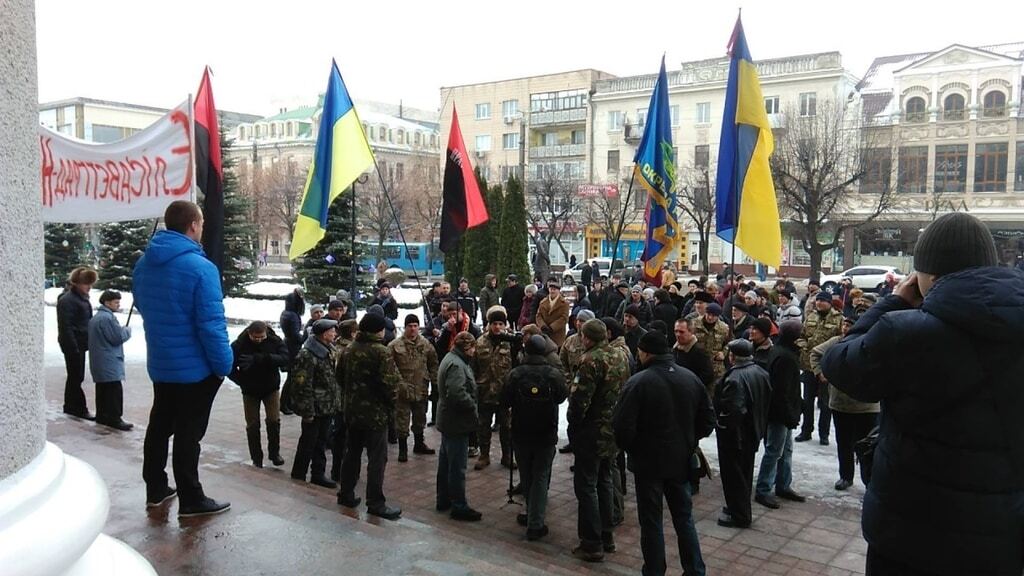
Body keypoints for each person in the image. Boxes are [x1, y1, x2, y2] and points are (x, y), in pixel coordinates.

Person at [822, 213, 1024, 576]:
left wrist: (894, 302)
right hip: (1001, 537)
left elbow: (840, 364)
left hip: (912, 533)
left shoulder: (909, 333)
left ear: (926, 275)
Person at [134, 200, 233, 517]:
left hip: (162, 365)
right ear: (193, 225)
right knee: (189, 436)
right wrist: (223, 365)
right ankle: (191, 498)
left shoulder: (144, 264)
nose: (202, 227)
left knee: (160, 426)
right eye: (201, 222)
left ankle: (156, 488)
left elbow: (147, 307)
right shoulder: (201, 269)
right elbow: (211, 325)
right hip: (194, 371)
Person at [614, 331, 715, 576]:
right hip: (680, 460)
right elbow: (707, 420)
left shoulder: (639, 382)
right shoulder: (690, 378)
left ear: (646, 352)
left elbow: (621, 427)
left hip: (648, 464)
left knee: (651, 521)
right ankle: (695, 569)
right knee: (684, 518)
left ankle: (654, 570)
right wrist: (688, 440)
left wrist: (635, 448)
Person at [568, 319, 630, 563]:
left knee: (586, 486)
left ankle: (591, 542)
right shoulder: (619, 355)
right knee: (605, 480)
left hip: (592, 431)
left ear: (586, 337)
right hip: (612, 429)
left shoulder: (590, 360)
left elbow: (579, 401)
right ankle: (607, 535)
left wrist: (574, 425)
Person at [501, 335, 568, 540]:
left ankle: (532, 514)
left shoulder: (515, 374)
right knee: (540, 475)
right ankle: (535, 522)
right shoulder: (553, 374)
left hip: (521, 432)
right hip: (545, 431)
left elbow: (504, 399)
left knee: (527, 475)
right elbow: (562, 397)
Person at [337, 314, 403, 520]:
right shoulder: (381, 352)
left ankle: (346, 493)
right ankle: (375, 503)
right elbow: (391, 385)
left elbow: (339, 377)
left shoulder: (348, 349)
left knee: (352, 453)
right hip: (375, 415)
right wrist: (391, 404)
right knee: (377, 458)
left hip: (352, 412)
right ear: (379, 330)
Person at [811, 315, 878, 490]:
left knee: (867, 446)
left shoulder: (873, 342)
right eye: (844, 324)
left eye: (849, 325)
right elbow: (815, 353)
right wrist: (821, 373)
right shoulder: (837, 342)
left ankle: (868, 480)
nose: (845, 328)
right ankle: (846, 476)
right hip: (841, 403)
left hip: (868, 406)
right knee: (844, 443)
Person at [714, 339, 771, 529]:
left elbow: (733, 411)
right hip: (752, 432)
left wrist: (721, 427)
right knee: (744, 473)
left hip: (736, 437)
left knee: (734, 476)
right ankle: (738, 507)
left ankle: (740, 514)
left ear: (732, 356)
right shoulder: (760, 372)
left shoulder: (735, 378)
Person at [753, 320, 806, 510]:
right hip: (780, 413)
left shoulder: (781, 352)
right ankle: (763, 489)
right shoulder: (784, 357)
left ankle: (783, 485)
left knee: (786, 450)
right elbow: (782, 391)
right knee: (774, 451)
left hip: (783, 411)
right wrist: (791, 414)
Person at [436, 332, 483, 522]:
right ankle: (459, 505)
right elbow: (457, 393)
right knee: (457, 466)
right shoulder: (457, 364)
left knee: (446, 463)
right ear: (467, 347)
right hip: (456, 421)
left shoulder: (451, 358)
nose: (474, 351)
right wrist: (472, 405)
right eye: (473, 348)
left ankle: (444, 499)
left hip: (448, 420)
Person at [229, 321, 289, 468]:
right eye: (255, 337)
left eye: (261, 337)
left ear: (266, 333)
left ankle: (274, 453)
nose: (259, 340)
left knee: (274, 420)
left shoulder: (274, 340)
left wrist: (262, 358)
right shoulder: (239, 345)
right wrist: (241, 381)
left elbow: (284, 358)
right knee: (253, 424)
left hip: (271, 388)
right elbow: (229, 366)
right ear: (249, 333)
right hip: (250, 390)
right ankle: (256, 457)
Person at [290, 319, 341, 488]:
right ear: (323, 333)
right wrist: (307, 411)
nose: (335, 333)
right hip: (315, 407)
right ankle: (299, 473)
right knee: (308, 442)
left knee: (321, 441)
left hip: (326, 405)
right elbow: (302, 385)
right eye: (332, 331)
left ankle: (318, 473)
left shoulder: (329, 350)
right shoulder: (308, 354)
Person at [388, 314, 439, 462]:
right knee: (402, 419)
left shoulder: (425, 344)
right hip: (402, 389)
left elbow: (433, 363)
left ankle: (419, 443)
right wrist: (397, 383)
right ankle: (403, 449)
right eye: (410, 326)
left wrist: (435, 383)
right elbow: (389, 366)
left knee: (420, 417)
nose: (413, 329)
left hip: (420, 386)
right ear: (405, 327)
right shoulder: (394, 345)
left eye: (415, 326)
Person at [795, 291, 842, 445]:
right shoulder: (811, 317)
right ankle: (806, 430)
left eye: (823, 301)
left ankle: (824, 434)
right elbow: (801, 336)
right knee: (808, 401)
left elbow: (842, 340)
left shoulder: (838, 319)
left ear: (829, 303)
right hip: (809, 365)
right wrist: (804, 347)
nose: (819, 303)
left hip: (827, 367)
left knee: (825, 403)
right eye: (818, 300)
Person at [472, 307, 517, 470]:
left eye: (500, 324)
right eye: (494, 324)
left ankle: (506, 456)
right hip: (484, 392)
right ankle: (484, 455)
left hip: (504, 393)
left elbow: (517, 366)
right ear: (489, 325)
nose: (497, 327)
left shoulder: (510, 343)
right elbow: (473, 367)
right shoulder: (480, 343)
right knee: (483, 426)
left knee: (507, 427)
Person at [87, 289, 133, 430]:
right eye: (116, 302)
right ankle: (114, 418)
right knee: (113, 391)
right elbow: (116, 337)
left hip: (100, 360)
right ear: (107, 302)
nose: (118, 305)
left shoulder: (97, 317)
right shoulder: (107, 318)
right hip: (109, 361)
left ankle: (103, 416)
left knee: (102, 390)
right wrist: (127, 330)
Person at [58, 266, 97, 419]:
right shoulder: (68, 300)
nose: (89, 287)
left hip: (79, 343)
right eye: (86, 283)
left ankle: (71, 405)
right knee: (76, 376)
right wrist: (73, 346)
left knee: (75, 376)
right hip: (73, 344)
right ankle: (77, 408)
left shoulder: (80, 298)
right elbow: (65, 326)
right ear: (77, 283)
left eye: (90, 284)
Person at [557, 309, 596, 455]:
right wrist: (568, 381)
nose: (579, 324)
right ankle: (573, 443)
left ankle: (582, 449)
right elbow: (562, 362)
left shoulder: (595, 341)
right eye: (578, 320)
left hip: (589, 389)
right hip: (573, 387)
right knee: (572, 417)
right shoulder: (570, 340)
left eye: (583, 321)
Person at [692, 303, 731, 392]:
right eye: (709, 314)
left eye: (713, 316)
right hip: (697, 365)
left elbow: (729, 343)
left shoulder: (724, 328)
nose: (710, 317)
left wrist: (724, 352)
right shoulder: (694, 324)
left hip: (715, 367)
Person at [279, 288, 306, 415]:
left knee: (291, 376)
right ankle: (285, 403)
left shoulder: (286, 313)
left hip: (288, 344)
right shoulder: (293, 316)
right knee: (291, 377)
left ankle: (286, 403)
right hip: (292, 347)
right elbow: (295, 334)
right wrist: (304, 337)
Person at [671, 318, 714, 394]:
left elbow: (708, 375)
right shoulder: (675, 349)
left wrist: (691, 387)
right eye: (676, 331)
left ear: (691, 332)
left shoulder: (699, 351)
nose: (678, 334)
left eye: (681, 332)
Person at [536, 278, 570, 348]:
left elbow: (564, 318)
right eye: (551, 289)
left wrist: (552, 327)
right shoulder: (543, 302)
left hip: (558, 335)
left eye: (554, 289)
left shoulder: (564, 303)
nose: (552, 291)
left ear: (558, 291)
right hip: (545, 334)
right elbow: (538, 316)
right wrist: (543, 326)